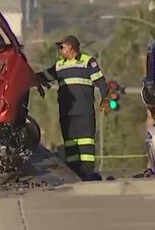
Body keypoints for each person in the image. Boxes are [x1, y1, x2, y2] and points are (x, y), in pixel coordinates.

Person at [35, 35, 111, 180]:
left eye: (61, 47)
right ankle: (76, 175)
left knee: (86, 144)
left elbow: (100, 81)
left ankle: (87, 174)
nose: (59, 50)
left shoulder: (87, 62)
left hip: (84, 111)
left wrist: (105, 98)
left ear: (70, 47)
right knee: (70, 144)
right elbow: (44, 76)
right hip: (66, 112)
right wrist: (28, 78)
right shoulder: (59, 65)